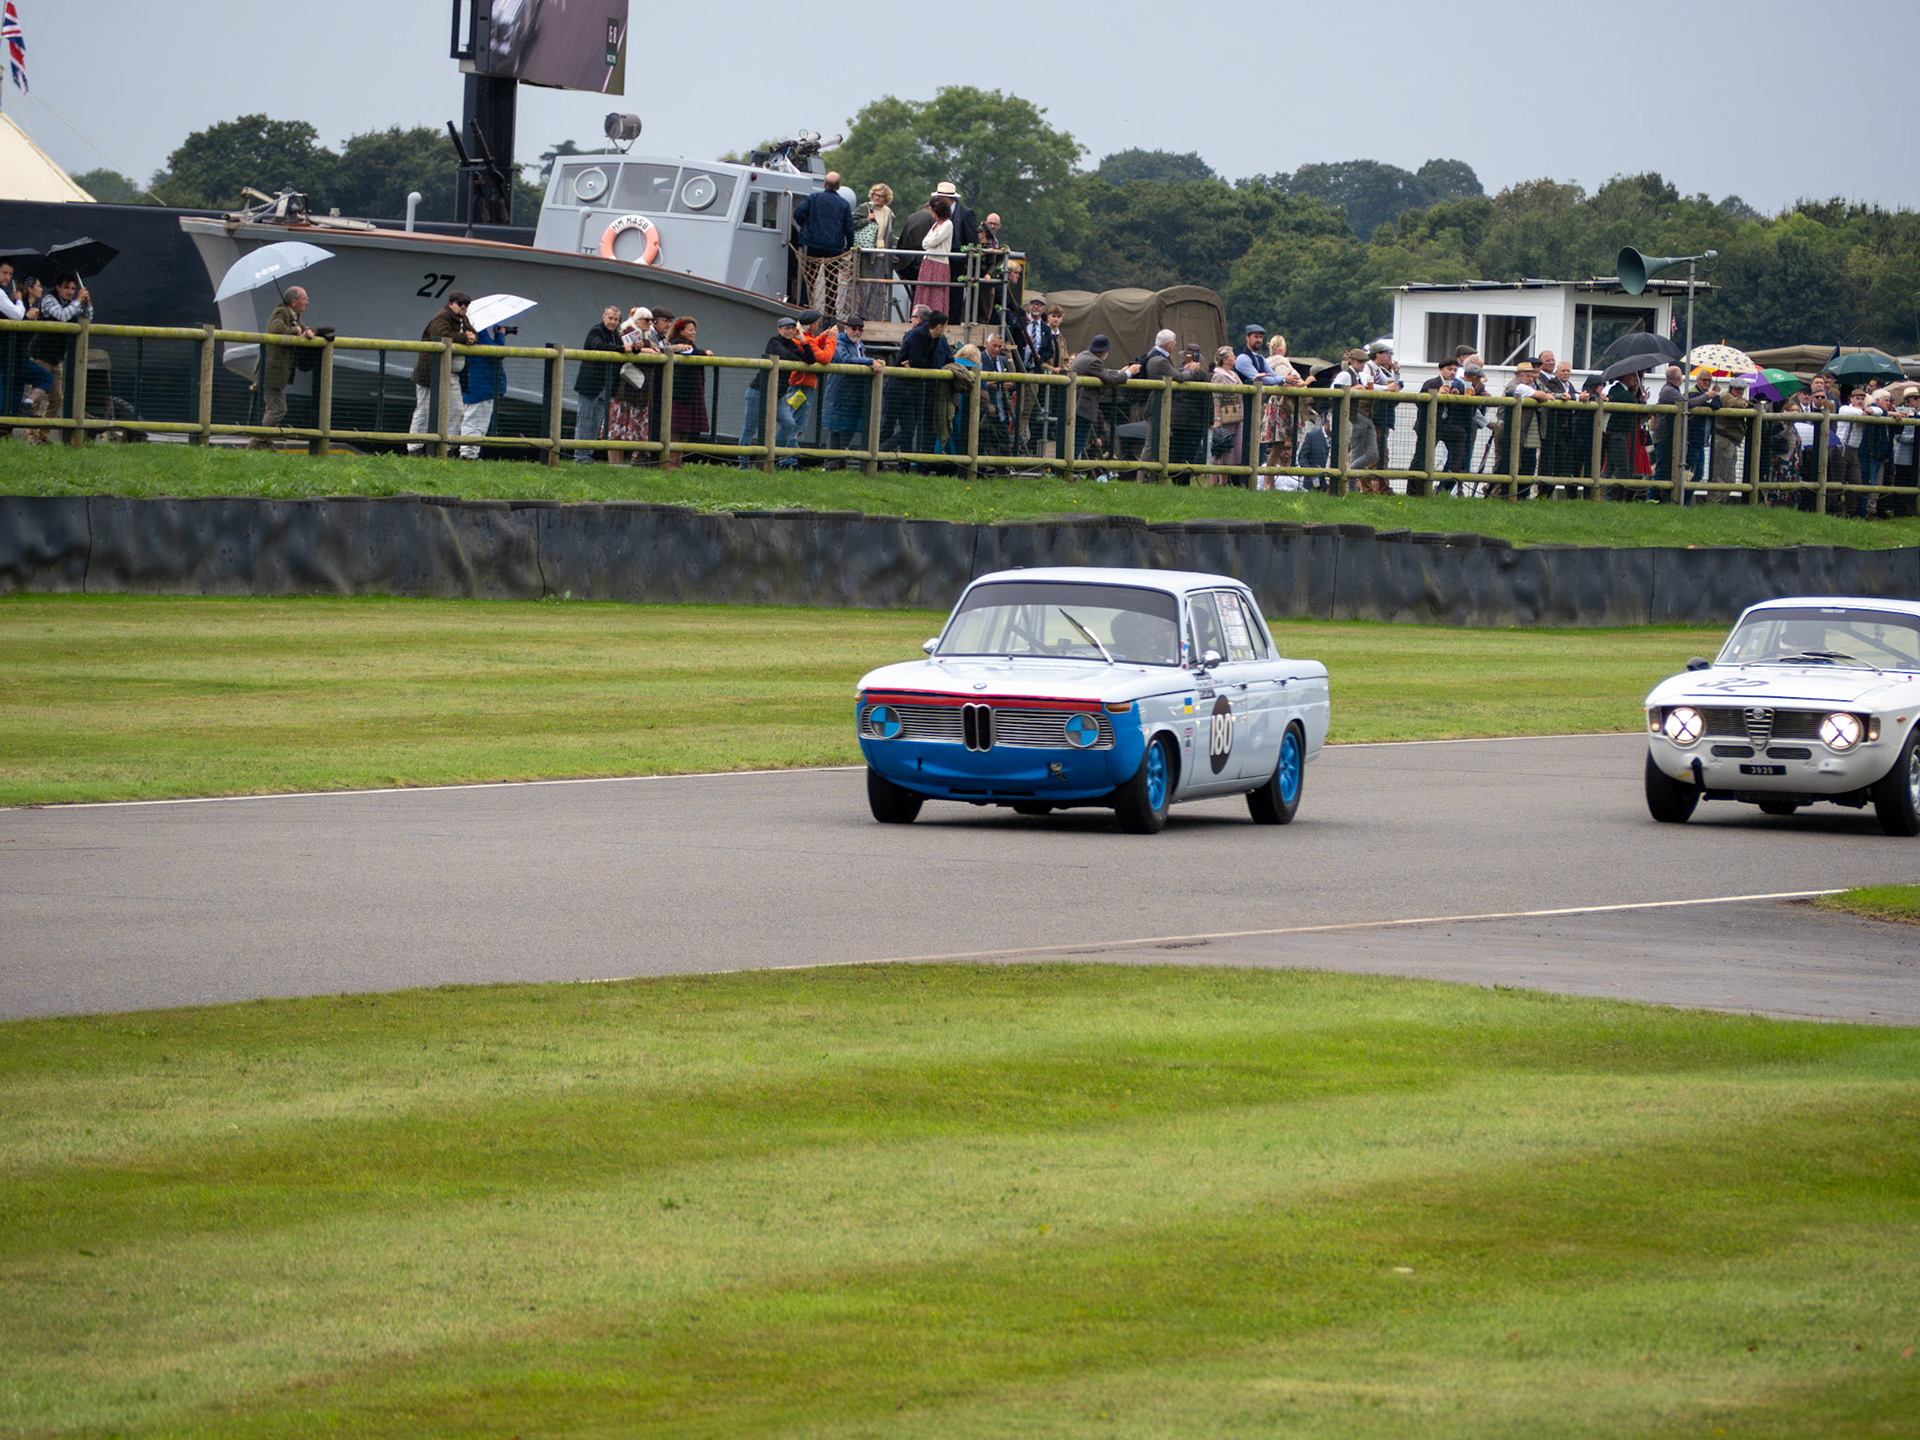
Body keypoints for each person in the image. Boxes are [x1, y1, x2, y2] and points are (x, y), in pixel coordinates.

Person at [737, 315, 810, 469]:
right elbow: (786, 356)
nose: (789, 331)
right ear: (779, 329)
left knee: (789, 424)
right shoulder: (774, 342)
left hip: (779, 394)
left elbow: (811, 359)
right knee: (750, 427)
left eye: (792, 328)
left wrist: (803, 340)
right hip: (759, 391)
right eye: (786, 328)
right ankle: (743, 463)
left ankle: (770, 458)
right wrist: (798, 357)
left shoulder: (794, 344)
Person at [408, 290, 474, 455]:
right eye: (460, 303)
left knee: (457, 410)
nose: (464, 307)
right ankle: (415, 447)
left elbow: (471, 333)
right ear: (451, 303)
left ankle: (448, 446)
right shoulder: (441, 317)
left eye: (467, 305)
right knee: (424, 409)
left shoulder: (462, 319)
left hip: (451, 373)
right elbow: (441, 335)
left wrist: (472, 337)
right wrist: (465, 338)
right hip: (431, 372)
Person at [254, 285, 317, 449]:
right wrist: (295, 330)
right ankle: (256, 443)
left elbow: (303, 327)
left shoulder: (294, 315)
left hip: (277, 371)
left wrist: (308, 331)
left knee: (273, 408)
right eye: (304, 299)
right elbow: (275, 329)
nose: (307, 303)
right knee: (278, 409)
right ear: (294, 301)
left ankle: (265, 445)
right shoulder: (282, 312)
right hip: (271, 370)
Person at [35, 272, 92, 445]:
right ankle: (31, 436)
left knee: (57, 398)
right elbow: (62, 316)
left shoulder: (71, 303)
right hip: (41, 356)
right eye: (66, 287)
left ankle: (42, 435)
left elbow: (87, 319)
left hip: (56, 358)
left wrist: (87, 305)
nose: (70, 292)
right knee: (36, 396)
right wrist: (77, 302)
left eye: (73, 289)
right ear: (58, 287)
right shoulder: (48, 299)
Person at [791, 171, 858, 318]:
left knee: (809, 278)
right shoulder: (844, 204)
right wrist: (849, 247)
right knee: (832, 280)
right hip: (834, 247)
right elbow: (849, 228)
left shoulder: (814, 198)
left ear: (824, 184)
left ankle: (804, 304)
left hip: (812, 243)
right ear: (838, 186)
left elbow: (798, 213)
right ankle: (830, 311)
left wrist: (806, 229)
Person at [1067, 334, 1140, 464]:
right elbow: (1108, 379)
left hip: (1076, 403)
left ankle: (1069, 467)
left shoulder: (1084, 355)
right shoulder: (1094, 361)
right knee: (1079, 439)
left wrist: (1120, 372)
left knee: (1076, 437)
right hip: (1082, 405)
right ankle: (1069, 468)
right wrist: (1129, 373)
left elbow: (1102, 372)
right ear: (1103, 351)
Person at [822, 316, 883, 467]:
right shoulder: (838, 342)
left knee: (848, 429)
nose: (857, 331)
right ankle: (831, 464)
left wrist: (874, 361)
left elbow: (857, 358)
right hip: (840, 393)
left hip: (855, 394)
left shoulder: (859, 344)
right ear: (846, 328)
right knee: (836, 430)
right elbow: (846, 359)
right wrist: (870, 361)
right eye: (854, 328)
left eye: (860, 329)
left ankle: (840, 463)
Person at [568, 302, 623, 463]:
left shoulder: (615, 335)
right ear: (603, 317)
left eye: (616, 319)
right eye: (610, 318)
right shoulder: (596, 331)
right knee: (584, 420)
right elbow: (598, 346)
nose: (612, 322)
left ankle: (588, 454)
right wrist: (621, 349)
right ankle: (580, 455)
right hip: (590, 385)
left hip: (605, 386)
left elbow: (621, 348)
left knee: (597, 421)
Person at [604, 309, 655, 464]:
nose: (650, 323)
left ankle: (622, 462)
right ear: (638, 320)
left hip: (638, 390)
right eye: (647, 320)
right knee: (618, 428)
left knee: (628, 429)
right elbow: (627, 351)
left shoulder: (646, 337)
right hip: (625, 389)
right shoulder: (628, 333)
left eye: (652, 320)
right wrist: (647, 350)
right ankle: (614, 462)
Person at [667, 317, 713, 462]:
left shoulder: (691, 345)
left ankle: (678, 461)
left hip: (691, 392)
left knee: (685, 428)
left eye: (694, 330)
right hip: (680, 392)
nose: (693, 333)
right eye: (690, 329)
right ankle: (670, 460)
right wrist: (705, 354)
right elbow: (694, 354)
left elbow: (696, 352)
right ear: (680, 330)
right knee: (676, 428)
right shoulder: (676, 345)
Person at [851, 182, 896, 321]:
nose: (876, 198)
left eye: (880, 196)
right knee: (864, 285)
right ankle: (860, 315)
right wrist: (866, 220)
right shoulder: (865, 207)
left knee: (878, 287)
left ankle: (874, 317)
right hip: (866, 254)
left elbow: (889, 234)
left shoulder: (889, 213)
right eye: (875, 195)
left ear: (886, 198)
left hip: (882, 253)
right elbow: (851, 223)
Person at [977, 329, 1020, 458]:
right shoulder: (980, 359)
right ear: (986, 344)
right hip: (985, 409)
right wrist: (986, 384)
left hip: (1002, 408)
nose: (996, 349)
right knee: (983, 439)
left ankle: (1003, 467)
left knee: (1003, 439)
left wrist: (1011, 385)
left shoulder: (1003, 360)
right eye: (994, 346)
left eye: (999, 346)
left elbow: (1014, 380)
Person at [912, 196, 954, 317]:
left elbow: (932, 241)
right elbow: (925, 242)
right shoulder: (936, 225)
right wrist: (928, 242)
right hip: (928, 261)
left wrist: (929, 242)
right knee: (924, 291)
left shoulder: (948, 224)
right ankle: (921, 316)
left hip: (939, 263)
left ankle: (935, 317)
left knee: (936, 293)